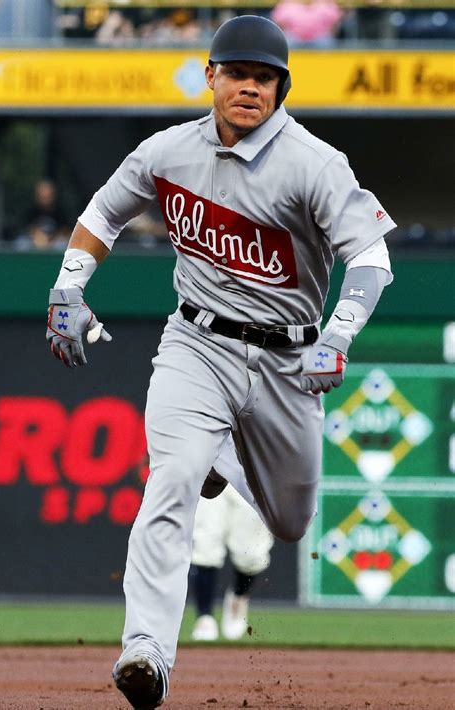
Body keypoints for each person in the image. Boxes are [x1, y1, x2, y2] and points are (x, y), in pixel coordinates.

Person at [46, 15, 395, 709]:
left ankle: (225, 463)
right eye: (237, 73)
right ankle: (145, 650)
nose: (250, 88)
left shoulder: (314, 164)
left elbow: (372, 256)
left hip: (289, 361)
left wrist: (340, 334)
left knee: (292, 521)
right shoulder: (170, 151)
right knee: (169, 482)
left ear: (281, 88)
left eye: (264, 78)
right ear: (210, 76)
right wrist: (67, 285)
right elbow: (105, 210)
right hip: (196, 344)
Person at [190, 435, 274, 642]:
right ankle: (205, 616)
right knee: (205, 546)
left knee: (253, 555)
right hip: (208, 464)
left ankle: (238, 598)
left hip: (252, 469)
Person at [17, 178, 70, 250]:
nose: (45, 199)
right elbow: (25, 227)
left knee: (62, 244)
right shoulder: (30, 210)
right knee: (21, 243)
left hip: (54, 242)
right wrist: (37, 236)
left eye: (47, 196)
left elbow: (65, 230)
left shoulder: (60, 211)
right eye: (42, 196)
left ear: (53, 195)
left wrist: (51, 239)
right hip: (34, 241)